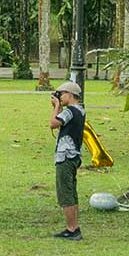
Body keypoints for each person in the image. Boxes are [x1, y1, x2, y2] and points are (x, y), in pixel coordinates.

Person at [50, 80, 85, 240]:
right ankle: (73, 227)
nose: (59, 97)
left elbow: (53, 124)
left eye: (61, 94)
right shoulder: (80, 110)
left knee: (65, 193)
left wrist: (57, 107)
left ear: (70, 94)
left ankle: (72, 229)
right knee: (71, 191)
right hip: (74, 155)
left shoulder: (70, 111)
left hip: (65, 157)